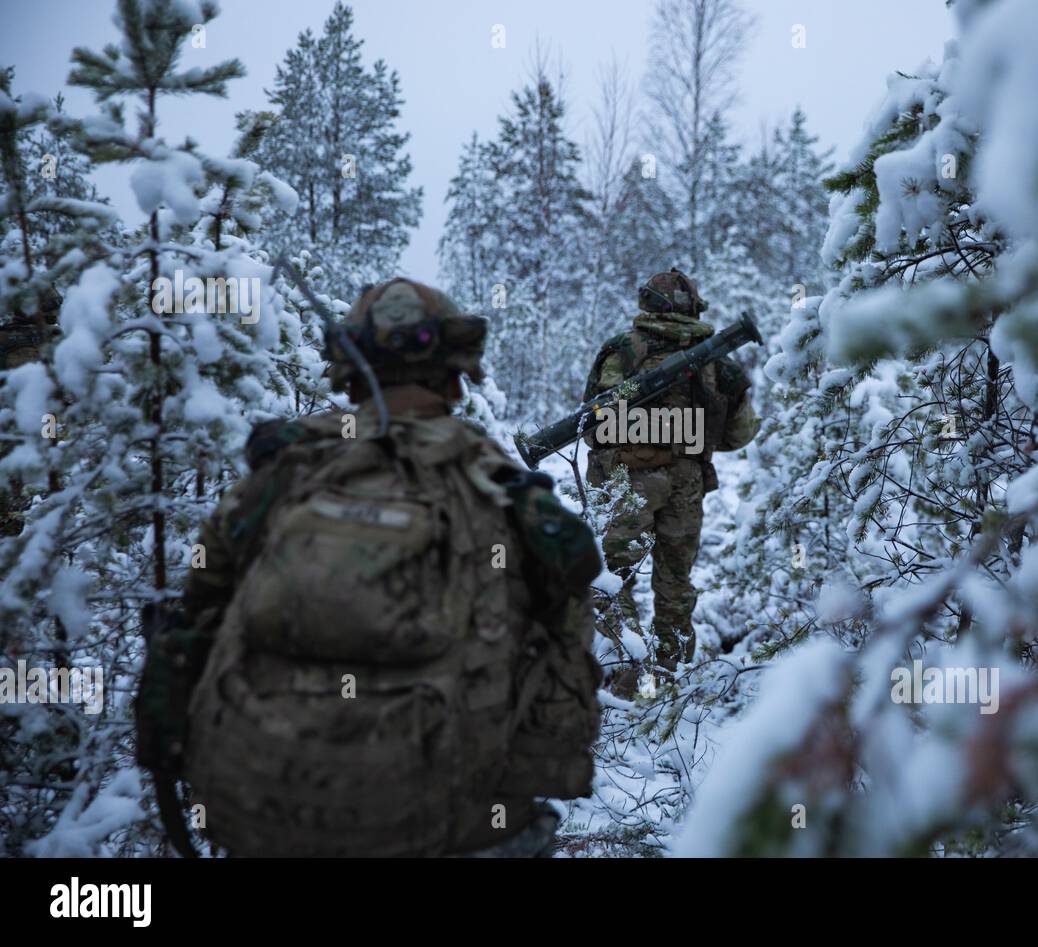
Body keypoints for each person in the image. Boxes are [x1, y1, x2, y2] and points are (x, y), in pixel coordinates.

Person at [148, 277, 602, 857]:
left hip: (257, 815)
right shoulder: (500, 486)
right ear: (457, 377)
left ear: (349, 372)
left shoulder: (287, 468)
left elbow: (197, 610)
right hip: (448, 826)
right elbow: (567, 652)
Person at [584, 269, 758, 692]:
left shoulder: (623, 351)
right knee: (675, 583)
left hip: (627, 480)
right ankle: (670, 683)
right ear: (694, 306)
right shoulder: (718, 360)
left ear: (647, 304)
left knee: (610, 577)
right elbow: (740, 433)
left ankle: (625, 671)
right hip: (687, 483)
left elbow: (591, 425)